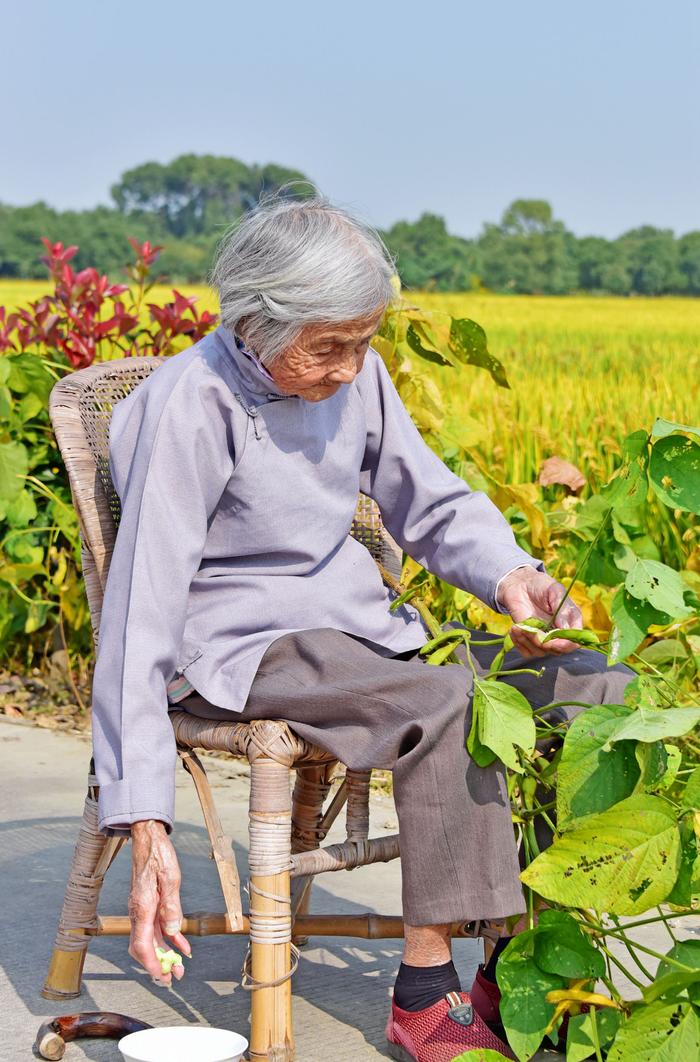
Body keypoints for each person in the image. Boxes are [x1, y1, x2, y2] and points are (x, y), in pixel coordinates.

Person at [90, 193, 634, 1061]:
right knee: (453, 701)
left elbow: (428, 495)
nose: (350, 369)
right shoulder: (189, 405)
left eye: (363, 341)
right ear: (254, 323)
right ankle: (425, 990)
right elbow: (140, 609)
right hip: (244, 644)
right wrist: (143, 815)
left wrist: (516, 578)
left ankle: (520, 962)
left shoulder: (354, 374)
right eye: (328, 347)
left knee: (591, 686)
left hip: (355, 631)